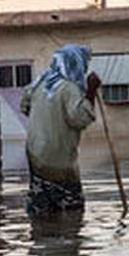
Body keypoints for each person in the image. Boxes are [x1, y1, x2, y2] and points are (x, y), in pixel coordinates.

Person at [20, 44, 102, 216]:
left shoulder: (39, 83)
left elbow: (25, 107)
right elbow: (80, 119)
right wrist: (91, 92)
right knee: (73, 209)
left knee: (40, 206)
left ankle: (42, 233)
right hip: (59, 157)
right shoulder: (69, 88)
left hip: (36, 155)